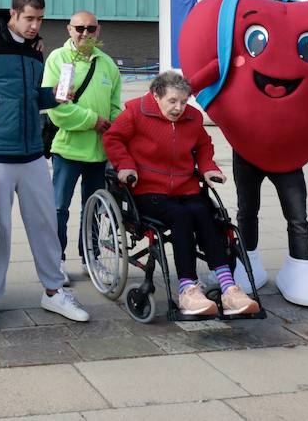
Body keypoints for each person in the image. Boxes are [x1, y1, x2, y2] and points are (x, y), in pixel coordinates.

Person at [0, 0, 90, 335]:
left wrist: (56, 96)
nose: (34, 25)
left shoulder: (34, 51)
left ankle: (54, 290)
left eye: (40, 19)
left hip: (31, 153)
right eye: (29, 18)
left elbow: (29, 97)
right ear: (13, 14)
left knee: (45, 224)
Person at [102, 71, 260, 317]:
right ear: (157, 95)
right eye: (173, 101)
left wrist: (209, 169)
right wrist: (125, 165)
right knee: (181, 217)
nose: (179, 108)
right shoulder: (136, 112)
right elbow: (113, 138)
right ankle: (187, 290)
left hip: (185, 188)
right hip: (148, 189)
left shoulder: (193, 118)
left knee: (205, 214)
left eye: (184, 102)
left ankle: (229, 288)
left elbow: (204, 145)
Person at [42, 10, 123, 265]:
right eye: (79, 29)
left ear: (98, 30)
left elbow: (114, 106)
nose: (85, 33)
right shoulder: (60, 60)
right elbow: (58, 111)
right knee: (58, 209)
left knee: (95, 210)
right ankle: (57, 261)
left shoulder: (107, 64)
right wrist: (93, 120)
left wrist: (117, 126)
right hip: (68, 151)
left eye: (90, 29)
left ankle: (92, 258)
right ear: (69, 30)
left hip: (99, 153)